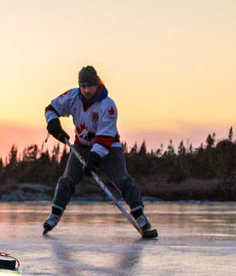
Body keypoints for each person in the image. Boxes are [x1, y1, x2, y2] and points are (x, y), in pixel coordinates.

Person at [42, 65, 154, 235]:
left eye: (89, 86)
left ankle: (139, 215)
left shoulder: (107, 106)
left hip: (109, 147)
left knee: (122, 179)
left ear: (97, 84)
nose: (86, 90)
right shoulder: (72, 96)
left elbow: (105, 138)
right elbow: (51, 108)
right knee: (67, 179)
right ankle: (55, 214)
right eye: (83, 86)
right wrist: (53, 124)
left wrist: (93, 159)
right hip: (82, 145)